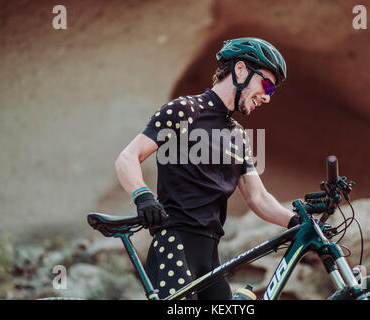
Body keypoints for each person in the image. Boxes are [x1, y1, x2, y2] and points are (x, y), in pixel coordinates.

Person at [115, 37, 298, 299]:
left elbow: (258, 197)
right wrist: (142, 196)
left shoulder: (239, 136)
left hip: (210, 256)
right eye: (266, 85)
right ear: (241, 70)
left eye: (272, 92)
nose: (267, 97)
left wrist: (295, 220)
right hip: (174, 245)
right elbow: (128, 157)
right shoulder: (183, 110)